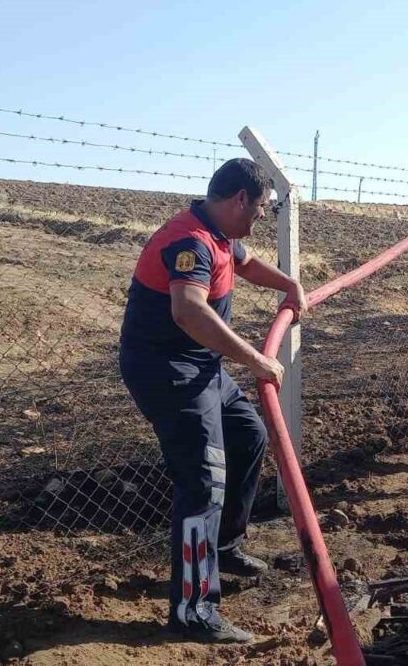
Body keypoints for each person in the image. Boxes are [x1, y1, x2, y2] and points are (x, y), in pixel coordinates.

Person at [119, 158, 307, 645]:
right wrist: (255, 361)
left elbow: (244, 264)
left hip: (201, 366)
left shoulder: (219, 233)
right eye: (261, 208)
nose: (261, 217)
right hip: (169, 371)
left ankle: (223, 546)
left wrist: (289, 285)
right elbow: (188, 310)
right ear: (239, 199)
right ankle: (194, 609)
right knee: (203, 481)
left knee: (248, 435)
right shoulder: (189, 240)